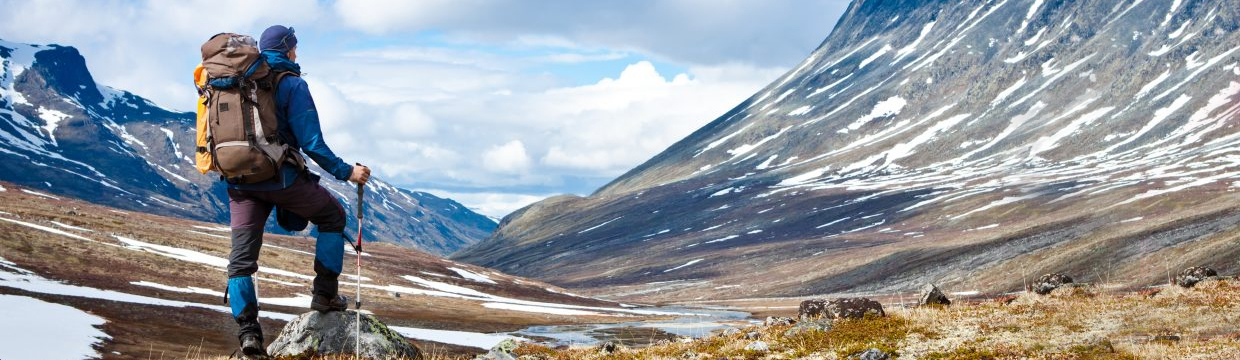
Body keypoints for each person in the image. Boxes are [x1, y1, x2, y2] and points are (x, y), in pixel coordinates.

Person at [223, 24, 371, 357]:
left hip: (240, 183)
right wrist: (347, 172)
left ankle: (249, 335)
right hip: (283, 180)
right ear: (287, 49)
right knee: (333, 216)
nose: (297, 52)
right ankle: (325, 295)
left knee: (241, 262)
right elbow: (312, 143)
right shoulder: (292, 84)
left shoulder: (235, 84)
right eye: (295, 46)